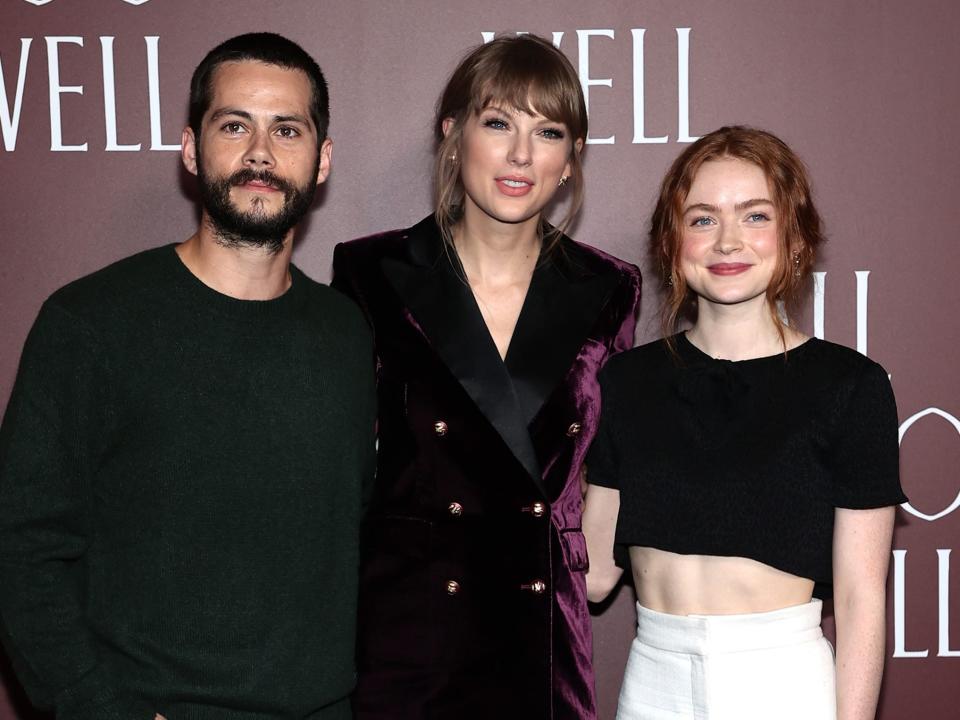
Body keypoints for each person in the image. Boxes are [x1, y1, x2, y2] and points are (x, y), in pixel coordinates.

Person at [0, 33, 375, 720]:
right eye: (235, 125)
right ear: (191, 148)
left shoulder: (347, 334)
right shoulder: (91, 323)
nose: (260, 152)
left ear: (321, 161)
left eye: (286, 130)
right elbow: (20, 548)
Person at [332, 34, 641, 720]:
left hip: (541, 642)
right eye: (498, 122)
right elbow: (342, 468)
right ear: (452, 133)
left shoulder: (609, 287)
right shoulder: (371, 274)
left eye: (549, 131)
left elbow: (608, 472)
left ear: (572, 158)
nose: (521, 155)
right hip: (411, 642)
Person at [582, 125, 906, 720]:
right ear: (671, 240)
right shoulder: (623, 382)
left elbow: (861, 599)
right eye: (702, 219)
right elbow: (594, 573)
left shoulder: (849, 386)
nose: (728, 241)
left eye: (755, 216)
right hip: (654, 685)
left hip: (783, 684)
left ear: (794, 235)